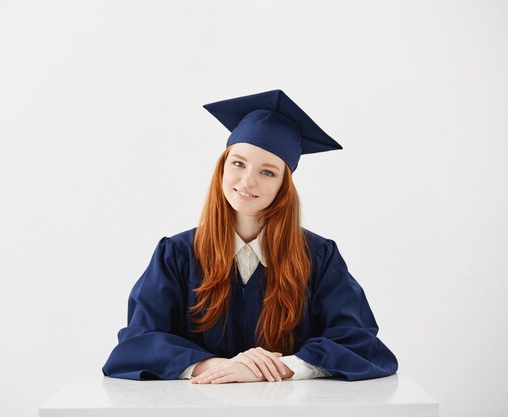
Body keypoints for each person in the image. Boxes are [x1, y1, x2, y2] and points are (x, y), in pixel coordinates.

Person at [102, 89, 398, 383]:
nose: (247, 181)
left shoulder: (317, 257)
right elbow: (136, 345)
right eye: (238, 163)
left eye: (268, 172)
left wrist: (275, 368)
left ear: (284, 185)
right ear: (222, 168)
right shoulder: (177, 255)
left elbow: (361, 344)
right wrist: (220, 367)